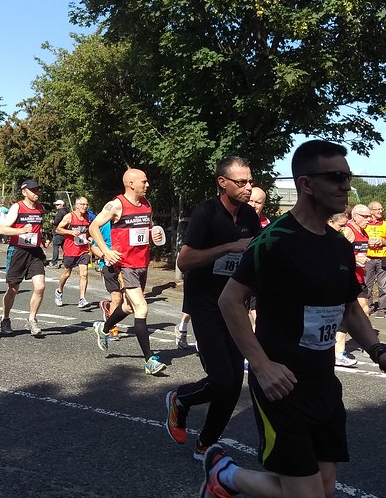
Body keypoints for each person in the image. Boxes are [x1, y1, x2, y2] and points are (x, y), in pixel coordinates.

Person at [201, 140, 386, 498]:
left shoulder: (339, 245)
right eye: (336, 176)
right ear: (306, 184)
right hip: (281, 385)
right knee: (308, 495)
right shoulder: (274, 241)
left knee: (324, 489)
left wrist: (379, 351)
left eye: (348, 176)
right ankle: (225, 475)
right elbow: (230, 301)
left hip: (323, 384)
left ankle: (225, 476)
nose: (346, 185)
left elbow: (349, 308)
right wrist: (263, 367)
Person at [165, 156, 262, 460]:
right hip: (205, 304)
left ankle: (206, 443)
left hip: (235, 305)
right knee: (221, 378)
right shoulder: (205, 212)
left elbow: (255, 256)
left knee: (234, 383)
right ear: (223, 182)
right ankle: (180, 399)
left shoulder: (249, 215)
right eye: (241, 182)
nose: (248, 187)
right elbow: (185, 260)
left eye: (249, 181)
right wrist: (230, 247)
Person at [89, 168, 167, 375]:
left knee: (128, 307)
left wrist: (154, 235)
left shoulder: (146, 204)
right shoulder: (116, 205)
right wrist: (106, 252)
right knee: (141, 308)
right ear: (131, 184)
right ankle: (149, 361)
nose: (147, 185)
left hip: (143, 263)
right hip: (126, 265)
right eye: (144, 181)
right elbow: (93, 227)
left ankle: (103, 328)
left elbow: (147, 228)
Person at [0, 179, 49, 337]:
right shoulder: (17, 207)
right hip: (18, 251)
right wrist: (20, 231)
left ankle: (32, 319)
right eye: (33, 190)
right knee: (13, 288)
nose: (36, 193)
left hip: (35, 252)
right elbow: (3, 229)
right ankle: (5, 318)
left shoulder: (40, 208)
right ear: (24, 192)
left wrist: (43, 239)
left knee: (40, 286)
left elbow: (38, 229)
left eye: (37, 190)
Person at [334, 205, 374, 367]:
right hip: (348, 278)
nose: (369, 219)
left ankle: (365, 340)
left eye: (369, 216)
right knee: (346, 314)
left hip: (358, 277)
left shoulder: (364, 231)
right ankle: (339, 351)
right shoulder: (348, 230)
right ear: (355, 216)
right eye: (365, 216)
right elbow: (339, 251)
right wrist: (356, 260)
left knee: (364, 308)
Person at [55, 196, 93, 309]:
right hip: (70, 249)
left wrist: (90, 237)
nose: (85, 207)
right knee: (67, 273)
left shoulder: (87, 217)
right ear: (77, 205)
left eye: (86, 205)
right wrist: (70, 232)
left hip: (83, 249)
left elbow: (88, 231)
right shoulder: (69, 216)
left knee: (84, 273)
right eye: (83, 204)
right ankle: (59, 291)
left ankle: (82, 298)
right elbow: (58, 229)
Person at [364, 200, 386, 317]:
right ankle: (369, 306)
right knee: (367, 285)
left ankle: (382, 308)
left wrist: (382, 242)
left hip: (382, 257)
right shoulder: (365, 224)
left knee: (383, 285)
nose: (381, 211)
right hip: (368, 258)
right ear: (371, 211)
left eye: (381, 209)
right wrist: (368, 243)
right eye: (378, 209)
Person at [49, 198, 69, 267]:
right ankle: (66, 261)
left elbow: (56, 222)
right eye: (56, 205)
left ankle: (54, 262)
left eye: (57, 205)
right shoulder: (67, 212)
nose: (56, 206)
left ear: (61, 205)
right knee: (64, 248)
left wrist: (52, 222)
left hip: (58, 232)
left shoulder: (60, 212)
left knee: (55, 247)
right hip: (64, 232)